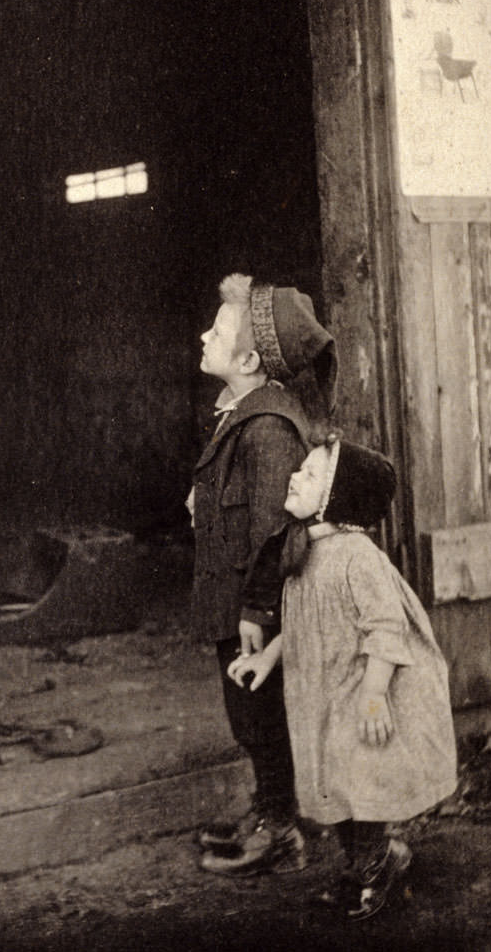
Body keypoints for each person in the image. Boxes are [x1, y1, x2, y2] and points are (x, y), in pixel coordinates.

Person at [228, 435, 457, 920]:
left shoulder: (357, 557)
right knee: (336, 787)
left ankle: (374, 872)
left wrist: (375, 694)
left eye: (309, 475)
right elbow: (303, 623)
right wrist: (267, 658)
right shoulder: (305, 554)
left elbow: (386, 626)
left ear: (336, 499)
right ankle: (371, 863)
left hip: (360, 689)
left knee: (362, 786)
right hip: (324, 694)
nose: (294, 476)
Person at [189, 273, 336, 876]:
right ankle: (268, 810)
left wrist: (258, 612)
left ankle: (279, 829)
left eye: (218, 331)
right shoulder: (244, 414)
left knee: (262, 718)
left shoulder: (270, 428)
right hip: (238, 601)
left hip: (253, 608)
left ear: (248, 360)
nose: (205, 334)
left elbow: (278, 531)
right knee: (250, 715)